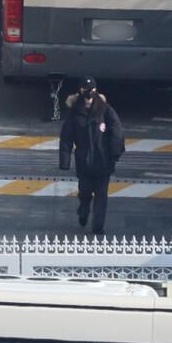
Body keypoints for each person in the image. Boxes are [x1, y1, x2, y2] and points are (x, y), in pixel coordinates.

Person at [58, 77, 125, 235]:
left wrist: (115, 153)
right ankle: (83, 210)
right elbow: (66, 138)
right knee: (85, 193)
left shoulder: (106, 110)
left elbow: (117, 131)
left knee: (101, 196)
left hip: (103, 162)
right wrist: (64, 161)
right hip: (84, 163)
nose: (88, 98)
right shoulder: (75, 115)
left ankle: (98, 227)